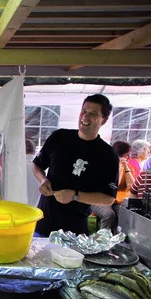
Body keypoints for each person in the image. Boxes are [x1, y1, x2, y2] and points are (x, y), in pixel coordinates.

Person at [32, 94, 119, 236]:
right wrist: (43, 180)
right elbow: (36, 165)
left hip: (75, 231)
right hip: (43, 224)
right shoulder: (59, 137)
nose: (85, 117)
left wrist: (75, 196)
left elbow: (108, 198)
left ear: (103, 120)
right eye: (84, 111)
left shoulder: (108, 154)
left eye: (93, 113)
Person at [90, 141, 134, 232]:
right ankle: (102, 240)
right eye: (127, 155)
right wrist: (118, 168)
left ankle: (120, 240)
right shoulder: (104, 166)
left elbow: (132, 185)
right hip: (100, 199)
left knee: (125, 215)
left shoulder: (128, 167)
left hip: (118, 200)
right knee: (109, 215)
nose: (129, 158)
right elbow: (114, 185)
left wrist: (126, 168)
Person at [25, 139, 40, 207]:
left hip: (16, 211)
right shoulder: (42, 168)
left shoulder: (14, 167)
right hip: (36, 213)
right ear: (34, 151)